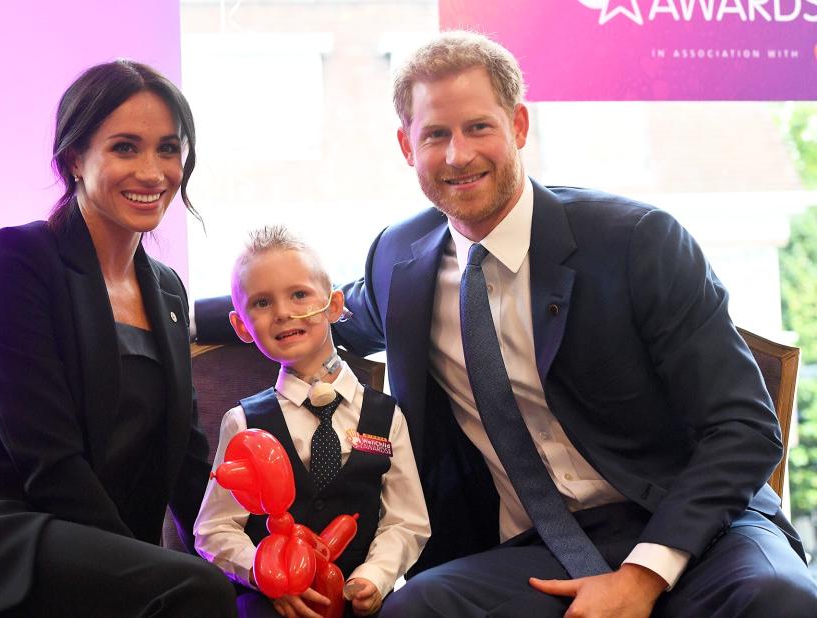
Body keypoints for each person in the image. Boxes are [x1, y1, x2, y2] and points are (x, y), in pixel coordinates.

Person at [197, 31, 817, 616]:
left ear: (518, 126)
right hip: (532, 549)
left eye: (478, 127)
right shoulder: (400, 261)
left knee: (777, 600)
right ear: (407, 147)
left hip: (687, 524)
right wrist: (156, 307)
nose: (458, 154)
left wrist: (643, 575)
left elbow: (745, 426)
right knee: (415, 610)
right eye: (435, 134)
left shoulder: (637, 242)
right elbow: (315, 309)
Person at [0, 60, 236, 617]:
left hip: (82, 540)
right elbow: (48, 460)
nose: (153, 171)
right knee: (192, 592)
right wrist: (148, 566)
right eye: (126, 148)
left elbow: (186, 461)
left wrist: (251, 562)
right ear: (74, 159)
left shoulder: (169, 292)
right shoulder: (16, 260)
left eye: (168, 148)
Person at [194, 225, 430, 618]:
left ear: (334, 305)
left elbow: (407, 521)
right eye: (262, 303)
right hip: (273, 604)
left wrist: (375, 576)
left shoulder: (386, 416)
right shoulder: (243, 422)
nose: (284, 313)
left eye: (299, 294)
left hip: (361, 601)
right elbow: (215, 529)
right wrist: (267, 575)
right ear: (241, 327)